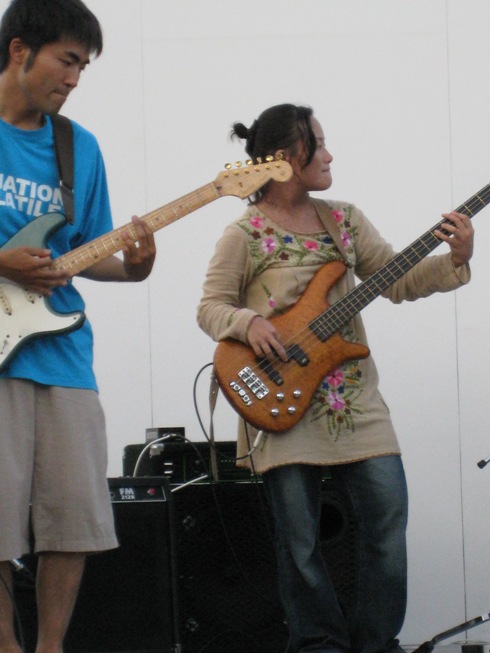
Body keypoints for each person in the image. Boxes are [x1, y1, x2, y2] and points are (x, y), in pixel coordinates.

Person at [197, 103, 474, 653]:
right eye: (317, 144)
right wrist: (248, 323)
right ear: (285, 157)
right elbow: (211, 307)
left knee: (388, 520)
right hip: (279, 399)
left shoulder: (343, 219)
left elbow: (398, 281)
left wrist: (457, 257)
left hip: (353, 401)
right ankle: (319, 643)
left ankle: (376, 642)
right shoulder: (243, 233)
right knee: (299, 541)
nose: (328, 155)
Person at [0, 1, 156, 652]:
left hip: (64, 354)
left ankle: (50, 646)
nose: (74, 79)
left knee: (74, 516)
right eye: (67, 61)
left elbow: (90, 253)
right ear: (19, 50)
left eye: (83, 67)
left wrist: (136, 267)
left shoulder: (78, 147)